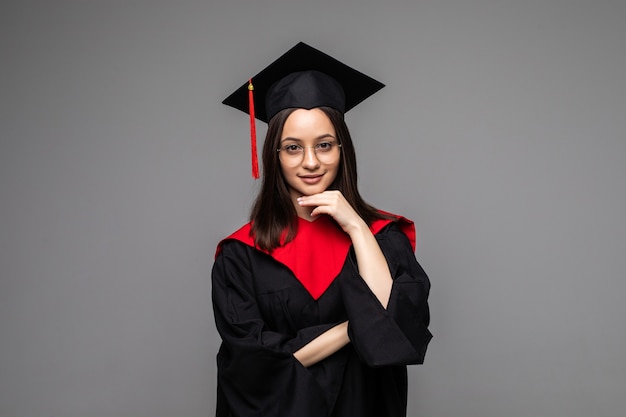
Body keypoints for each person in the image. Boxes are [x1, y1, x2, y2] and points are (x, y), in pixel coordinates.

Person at [212, 42, 432, 417]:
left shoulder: (384, 237)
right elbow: (253, 362)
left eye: (325, 145)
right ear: (274, 156)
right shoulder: (241, 254)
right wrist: (354, 328)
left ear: (342, 149)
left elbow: (396, 335)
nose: (310, 162)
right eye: (293, 147)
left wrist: (356, 227)